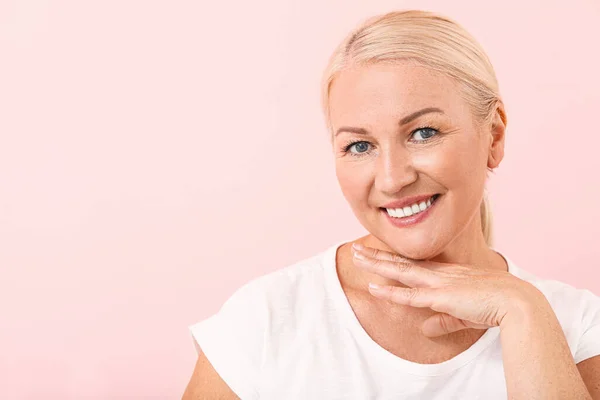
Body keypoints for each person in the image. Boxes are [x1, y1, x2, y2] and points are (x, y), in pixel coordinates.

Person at [182, 10, 600, 399]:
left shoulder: (576, 327)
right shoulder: (267, 319)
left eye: (423, 133)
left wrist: (522, 310)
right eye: (360, 145)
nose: (392, 178)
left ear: (493, 135)